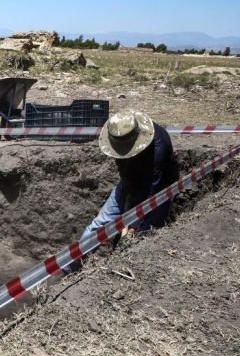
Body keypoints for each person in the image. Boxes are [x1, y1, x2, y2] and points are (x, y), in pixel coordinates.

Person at [67, 110, 179, 272]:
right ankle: (71, 266)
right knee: (99, 224)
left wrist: (133, 224)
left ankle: (128, 269)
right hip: (131, 181)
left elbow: (152, 190)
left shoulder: (158, 148)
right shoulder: (117, 137)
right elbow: (124, 172)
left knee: (146, 232)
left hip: (160, 189)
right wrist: (127, 196)